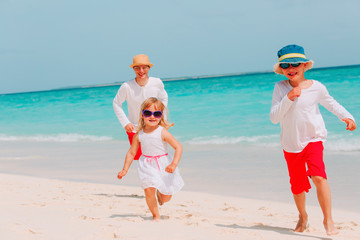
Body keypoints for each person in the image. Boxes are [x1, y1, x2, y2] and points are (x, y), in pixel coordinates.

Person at [270, 44, 356, 236]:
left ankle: (328, 219)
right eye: (285, 66)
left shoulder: (316, 87)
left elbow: (331, 103)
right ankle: (303, 216)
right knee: (298, 185)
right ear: (281, 70)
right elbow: (274, 118)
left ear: (304, 65)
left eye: (295, 64)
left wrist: (348, 117)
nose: (291, 69)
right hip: (291, 144)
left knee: (318, 176)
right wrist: (289, 98)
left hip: (313, 139)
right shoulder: (280, 89)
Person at [117, 97, 184, 221]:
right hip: (146, 165)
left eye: (157, 113)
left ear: (161, 116)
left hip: (164, 165)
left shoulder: (162, 132)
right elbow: (132, 152)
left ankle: (161, 195)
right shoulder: (139, 134)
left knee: (166, 197)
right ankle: (156, 215)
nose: (152, 116)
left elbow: (178, 147)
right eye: (148, 113)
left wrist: (173, 164)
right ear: (142, 115)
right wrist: (124, 169)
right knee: (148, 191)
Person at [113, 54, 168, 160]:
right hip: (134, 129)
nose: (141, 71)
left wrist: (160, 117)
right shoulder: (127, 86)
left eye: (144, 67)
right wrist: (125, 123)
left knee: (158, 157)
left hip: (154, 127)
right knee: (140, 159)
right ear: (133, 69)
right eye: (137, 67)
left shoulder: (157, 82)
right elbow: (116, 103)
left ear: (149, 68)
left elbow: (164, 98)